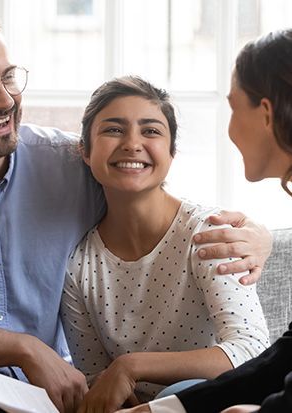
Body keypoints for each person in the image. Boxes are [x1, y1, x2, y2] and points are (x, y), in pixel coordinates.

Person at [0, 5, 272, 413]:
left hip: (50, 400)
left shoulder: (70, 165)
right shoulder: (82, 265)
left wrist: (260, 236)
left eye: (9, 77)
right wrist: (23, 348)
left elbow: (150, 196)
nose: (4, 99)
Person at [60, 76, 270, 413]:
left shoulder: (207, 234)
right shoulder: (78, 264)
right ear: (84, 150)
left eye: (151, 131)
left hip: (212, 402)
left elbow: (251, 349)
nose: (132, 143)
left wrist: (132, 366)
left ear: (171, 152)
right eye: (113, 130)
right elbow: (98, 380)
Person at [116, 28, 292, 413]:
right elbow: (284, 359)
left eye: (233, 108)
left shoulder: (208, 233)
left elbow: (258, 353)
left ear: (265, 113)